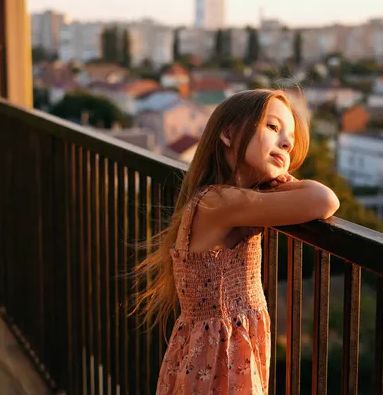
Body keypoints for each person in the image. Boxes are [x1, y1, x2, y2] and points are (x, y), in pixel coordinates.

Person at [132, 89, 340, 394]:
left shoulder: (225, 199)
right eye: (272, 127)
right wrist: (284, 185)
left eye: (289, 136)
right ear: (228, 134)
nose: (286, 141)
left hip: (216, 355)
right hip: (219, 362)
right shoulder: (222, 201)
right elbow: (324, 200)